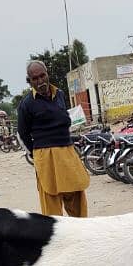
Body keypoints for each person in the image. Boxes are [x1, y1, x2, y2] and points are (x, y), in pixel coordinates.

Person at [18, 60, 90, 217]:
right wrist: (36, 153)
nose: (40, 81)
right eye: (35, 78)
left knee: (77, 195)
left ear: (47, 74)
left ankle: (80, 234)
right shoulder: (26, 103)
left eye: (42, 76)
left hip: (68, 152)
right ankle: (57, 239)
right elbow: (22, 134)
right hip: (45, 156)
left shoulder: (60, 95)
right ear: (29, 81)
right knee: (51, 204)